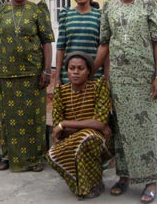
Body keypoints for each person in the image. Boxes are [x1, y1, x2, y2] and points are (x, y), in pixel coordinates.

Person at [93, 0, 157, 204]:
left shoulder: (149, 4)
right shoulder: (109, 7)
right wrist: (91, 71)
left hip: (144, 78)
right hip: (119, 80)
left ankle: (150, 179)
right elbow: (105, 43)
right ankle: (124, 176)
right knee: (122, 129)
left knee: (147, 128)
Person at [0, 0, 55, 172]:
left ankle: (34, 159)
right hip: (6, 73)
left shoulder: (36, 11)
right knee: (8, 116)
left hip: (32, 73)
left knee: (33, 116)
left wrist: (47, 70)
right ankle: (8, 157)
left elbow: (46, 41)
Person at [46, 52, 113, 199]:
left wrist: (65, 123)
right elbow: (59, 132)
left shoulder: (98, 87)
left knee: (87, 138)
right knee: (53, 155)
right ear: (67, 70)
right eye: (72, 68)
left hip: (101, 141)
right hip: (78, 138)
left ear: (88, 70)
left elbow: (100, 122)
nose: (75, 72)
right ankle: (81, 185)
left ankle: (95, 184)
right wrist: (92, 126)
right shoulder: (60, 92)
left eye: (80, 68)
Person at [54, 0, 104, 86]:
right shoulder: (66, 14)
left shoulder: (100, 15)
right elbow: (61, 47)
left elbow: (103, 48)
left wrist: (105, 75)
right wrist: (57, 77)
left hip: (94, 75)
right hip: (70, 76)